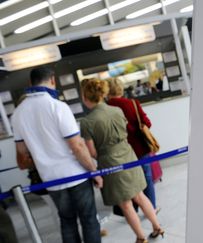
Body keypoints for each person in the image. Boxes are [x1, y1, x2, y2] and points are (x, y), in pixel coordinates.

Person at [11, 67, 102, 243]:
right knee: (89, 219)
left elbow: (22, 154)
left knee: (67, 222)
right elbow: (77, 146)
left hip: (50, 179)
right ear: (53, 80)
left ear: (30, 83)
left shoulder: (18, 114)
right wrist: (93, 170)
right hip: (76, 175)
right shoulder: (57, 106)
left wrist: (41, 153)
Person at [80, 78, 164, 243]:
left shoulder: (87, 122)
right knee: (139, 195)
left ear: (86, 97)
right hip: (129, 155)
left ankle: (141, 238)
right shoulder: (117, 110)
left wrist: (104, 154)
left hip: (110, 162)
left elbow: (91, 151)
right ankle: (157, 227)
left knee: (126, 204)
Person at [106, 78, 159, 211]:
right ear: (120, 89)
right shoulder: (132, 103)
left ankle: (132, 210)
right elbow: (148, 123)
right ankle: (151, 208)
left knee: (127, 180)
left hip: (119, 151)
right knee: (146, 176)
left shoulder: (106, 109)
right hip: (139, 147)